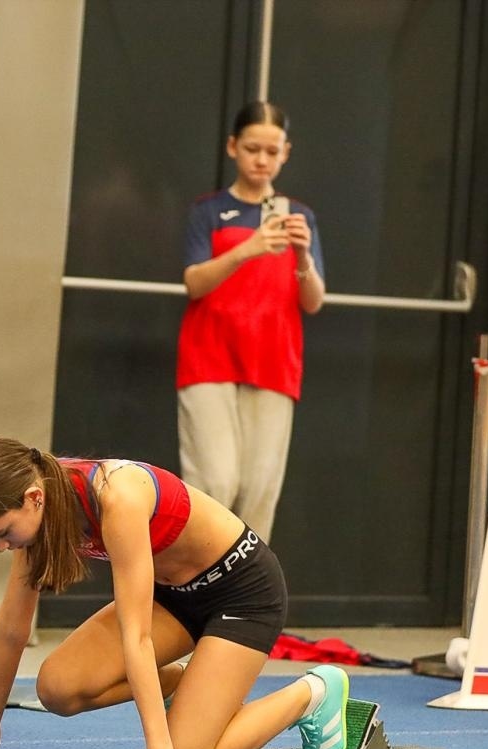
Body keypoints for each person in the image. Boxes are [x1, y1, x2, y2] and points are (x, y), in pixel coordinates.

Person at [0, 436, 350, 749]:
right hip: (172, 597)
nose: (0, 547)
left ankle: (314, 692)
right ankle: (182, 685)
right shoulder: (37, 512)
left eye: (2, 532)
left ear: (33, 498)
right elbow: (11, 628)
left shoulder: (118, 497)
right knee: (57, 689)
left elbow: (137, 638)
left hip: (241, 594)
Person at [176, 101, 326, 543]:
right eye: (252, 148)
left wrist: (300, 253)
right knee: (215, 482)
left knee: (260, 489)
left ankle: (247, 600)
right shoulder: (207, 211)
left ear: (285, 154)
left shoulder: (301, 216)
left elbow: (314, 301)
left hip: (273, 359)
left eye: (271, 150)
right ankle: (196, 584)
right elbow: (194, 282)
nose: (261, 160)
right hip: (209, 356)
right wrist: (249, 248)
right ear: (232, 148)